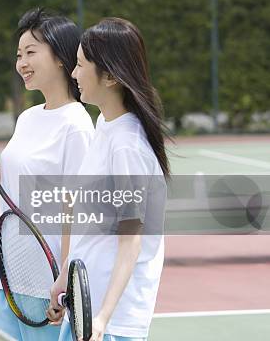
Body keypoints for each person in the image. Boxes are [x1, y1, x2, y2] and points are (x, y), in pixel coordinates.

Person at [0, 8, 94, 341]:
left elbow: (77, 208)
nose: (21, 62)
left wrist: (64, 281)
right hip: (5, 277)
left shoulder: (77, 124)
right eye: (19, 55)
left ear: (61, 58)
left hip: (48, 286)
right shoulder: (27, 117)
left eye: (31, 53)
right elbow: (17, 185)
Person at [47, 18, 170, 341]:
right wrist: (64, 278)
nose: (73, 74)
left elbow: (131, 242)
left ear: (111, 76)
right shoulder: (105, 124)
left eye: (80, 65)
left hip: (110, 324)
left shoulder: (127, 148)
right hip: (83, 307)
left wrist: (102, 319)